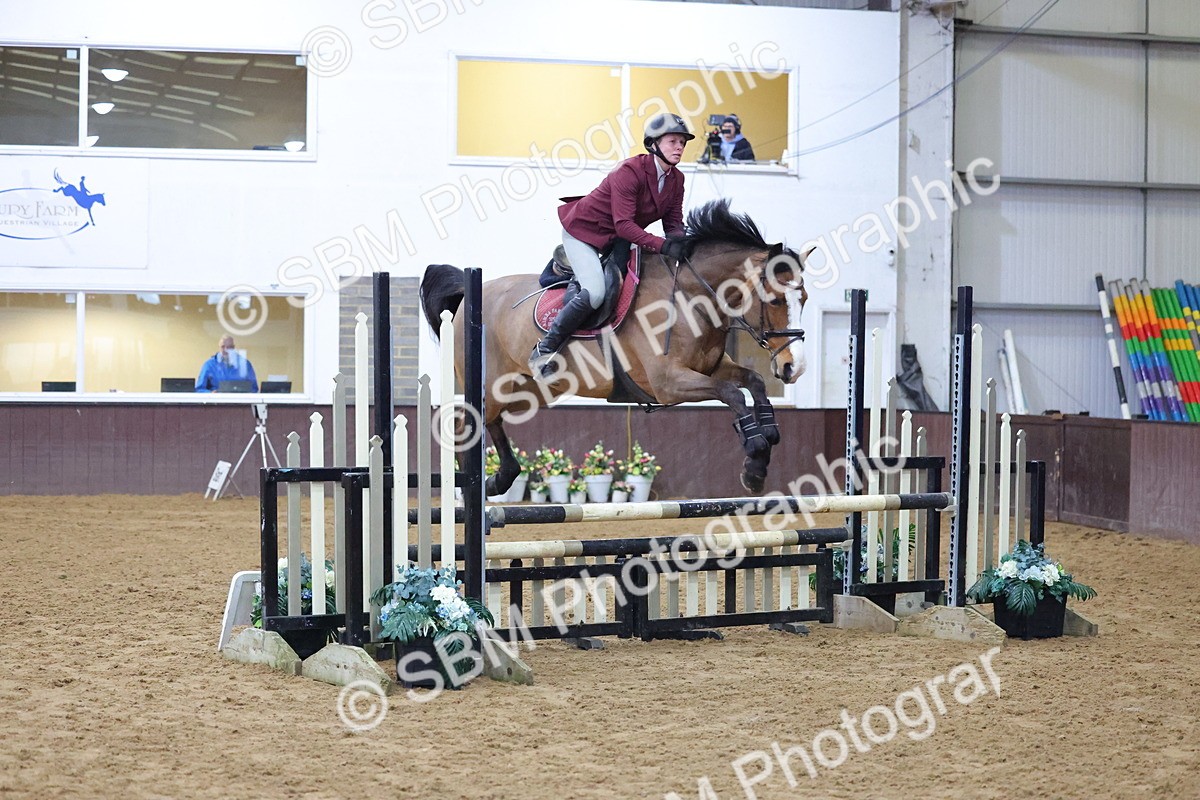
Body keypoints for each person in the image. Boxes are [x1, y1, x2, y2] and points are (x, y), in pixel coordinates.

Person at [528, 112, 694, 378]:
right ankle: (544, 349)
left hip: (618, 240)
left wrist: (688, 245)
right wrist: (663, 246)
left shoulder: (677, 180)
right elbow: (624, 225)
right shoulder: (629, 171)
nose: (679, 147)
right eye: (673, 141)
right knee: (595, 292)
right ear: (653, 144)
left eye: (683, 143)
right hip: (584, 233)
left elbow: (673, 224)